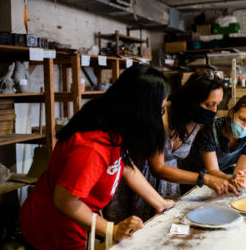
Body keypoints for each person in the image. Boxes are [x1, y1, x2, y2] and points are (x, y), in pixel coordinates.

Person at [19, 65, 175, 250]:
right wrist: (111, 230)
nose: (162, 115)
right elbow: (64, 201)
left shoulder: (115, 124)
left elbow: (124, 164)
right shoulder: (94, 145)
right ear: (142, 111)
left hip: (73, 218)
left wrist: (160, 203)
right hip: (54, 226)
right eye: (161, 109)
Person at [104, 71, 239, 223]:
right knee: (132, 235)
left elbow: (212, 167)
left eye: (217, 104)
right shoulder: (162, 113)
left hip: (168, 186)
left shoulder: (200, 122)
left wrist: (228, 178)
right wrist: (204, 178)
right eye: (209, 104)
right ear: (192, 99)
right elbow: (158, 168)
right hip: (139, 182)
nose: (214, 110)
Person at [180, 94, 246, 193]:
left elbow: (242, 169)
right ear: (232, 113)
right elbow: (212, 170)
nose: (245, 126)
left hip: (218, 177)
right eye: (242, 119)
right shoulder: (211, 128)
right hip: (191, 177)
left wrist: (240, 177)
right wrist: (232, 180)